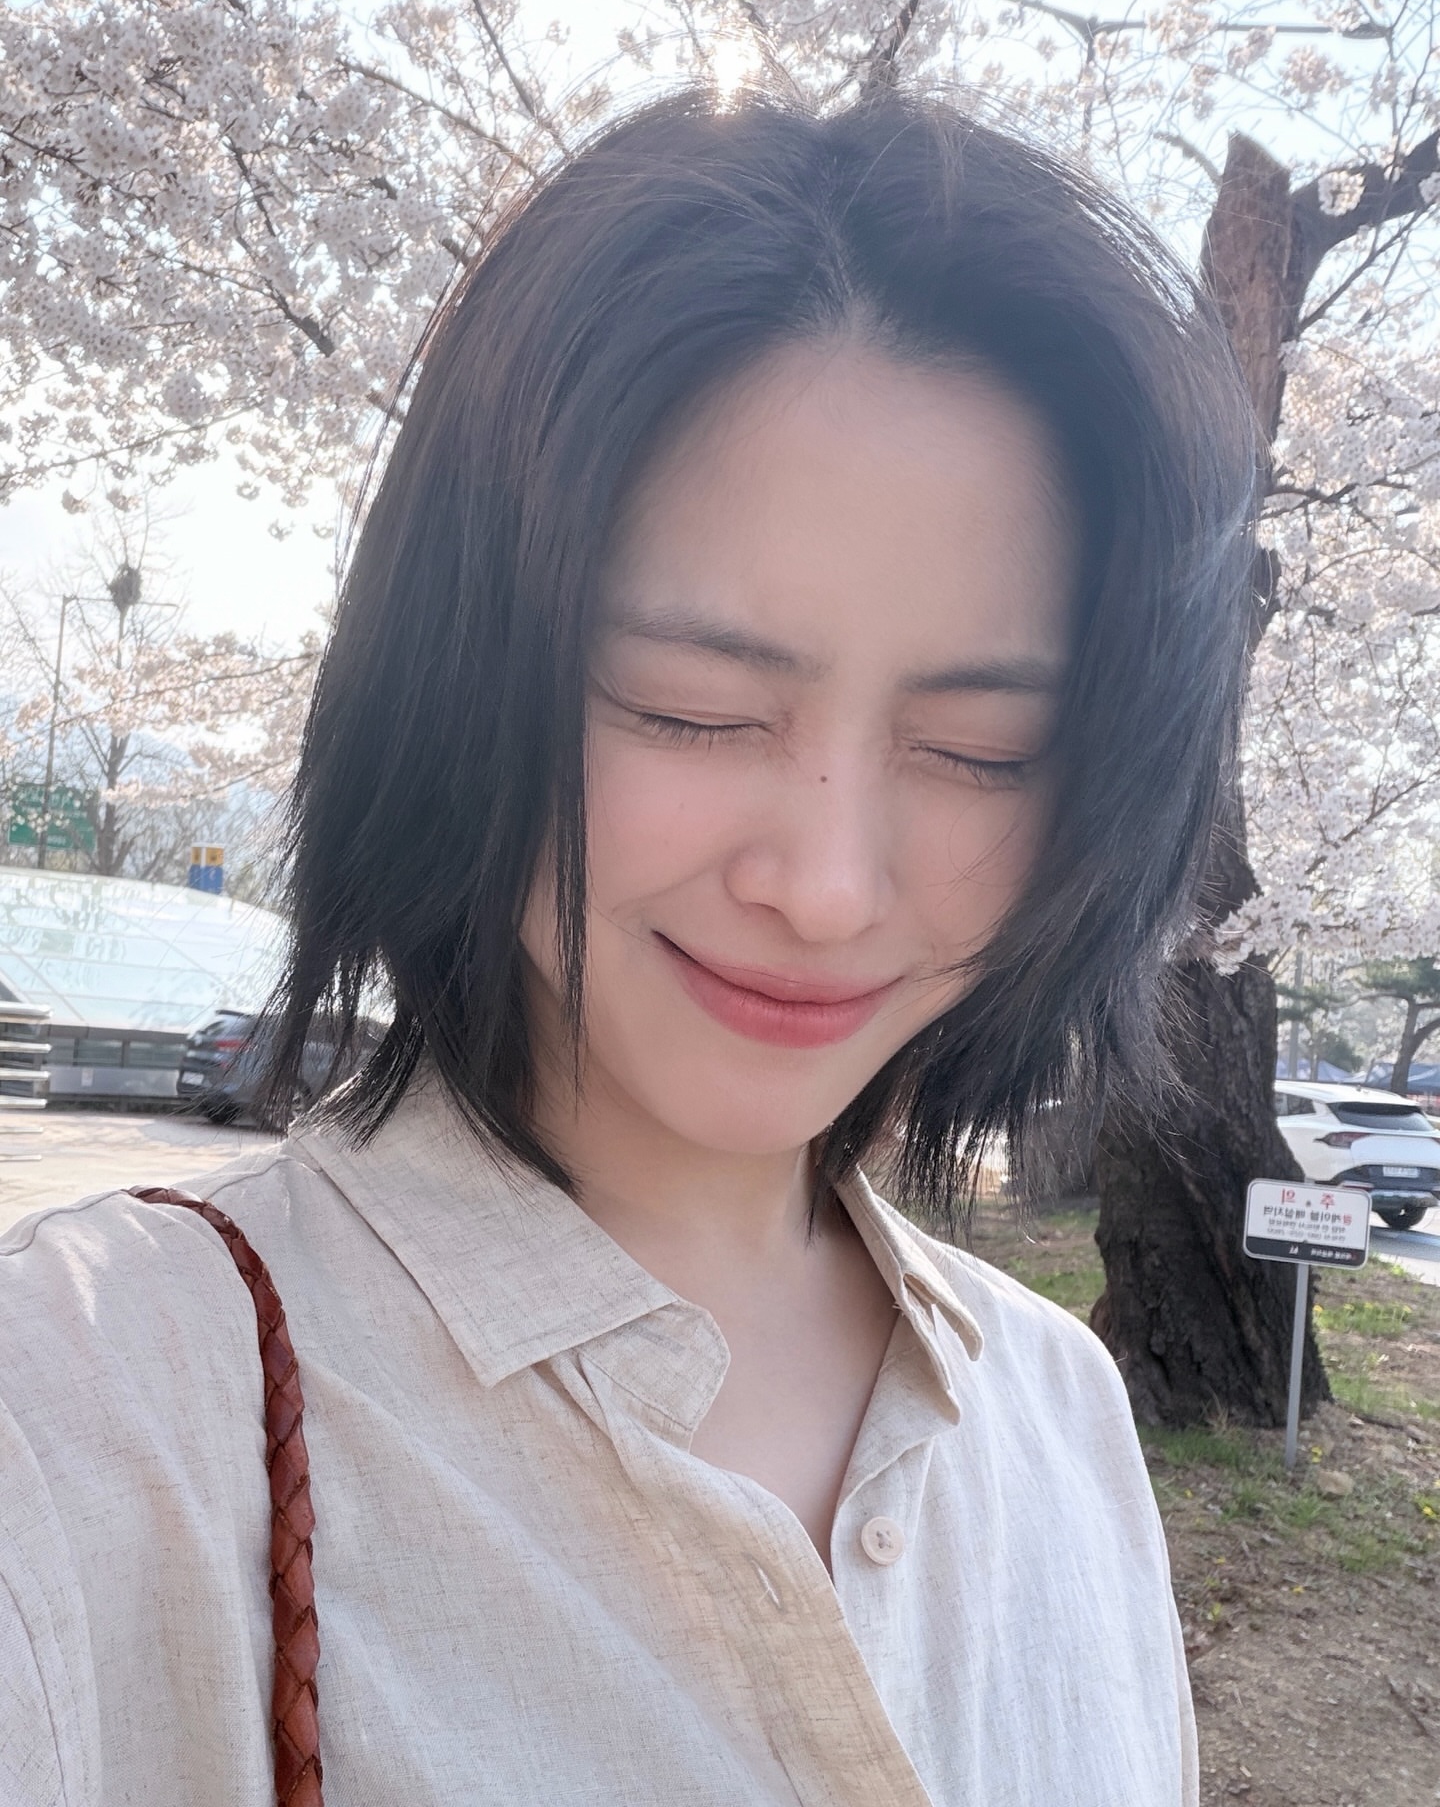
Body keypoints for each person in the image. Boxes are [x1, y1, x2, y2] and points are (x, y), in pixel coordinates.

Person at [0, 90, 1256, 1807]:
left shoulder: (1062, 1408)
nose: (828, 887)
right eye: (690, 707)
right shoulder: (87, 1411)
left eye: (982, 752)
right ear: (461, 685)